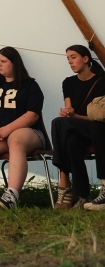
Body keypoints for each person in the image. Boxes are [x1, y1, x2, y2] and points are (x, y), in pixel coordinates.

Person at [0, 46, 45, 211]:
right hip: (0, 135)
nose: (0, 65)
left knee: (16, 139)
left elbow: (32, 115)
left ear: (14, 63)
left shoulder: (30, 85)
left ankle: (12, 195)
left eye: (4, 61)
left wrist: (6, 130)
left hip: (30, 134)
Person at [50, 44, 105, 210]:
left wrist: (74, 117)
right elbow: (69, 110)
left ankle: (64, 185)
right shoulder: (68, 83)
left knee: (58, 123)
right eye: (68, 58)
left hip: (96, 127)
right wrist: (69, 114)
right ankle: (83, 195)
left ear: (86, 58)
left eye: (73, 57)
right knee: (71, 141)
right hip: (75, 128)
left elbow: (100, 115)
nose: (70, 62)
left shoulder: (101, 81)